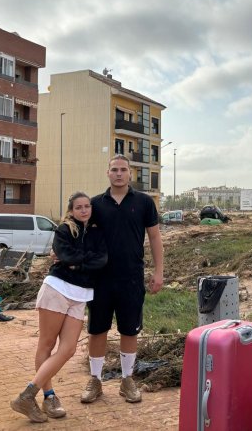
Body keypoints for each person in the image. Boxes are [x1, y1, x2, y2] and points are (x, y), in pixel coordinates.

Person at [10, 192, 107, 422]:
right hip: (57, 289)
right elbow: (64, 254)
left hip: (81, 295)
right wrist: (80, 261)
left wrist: (76, 262)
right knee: (47, 343)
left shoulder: (96, 232)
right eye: (78, 207)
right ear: (71, 210)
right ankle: (49, 396)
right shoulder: (64, 229)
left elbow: (101, 259)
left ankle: (27, 394)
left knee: (69, 348)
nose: (84, 210)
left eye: (87, 206)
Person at [80, 154, 164, 405]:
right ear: (107, 173)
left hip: (131, 279)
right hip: (100, 280)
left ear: (130, 174)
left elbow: (155, 238)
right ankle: (95, 380)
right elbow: (78, 236)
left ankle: (128, 380)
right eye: (114, 169)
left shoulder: (144, 202)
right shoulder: (95, 204)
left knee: (129, 330)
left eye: (123, 169)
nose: (119, 173)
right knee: (98, 330)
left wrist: (158, 271)